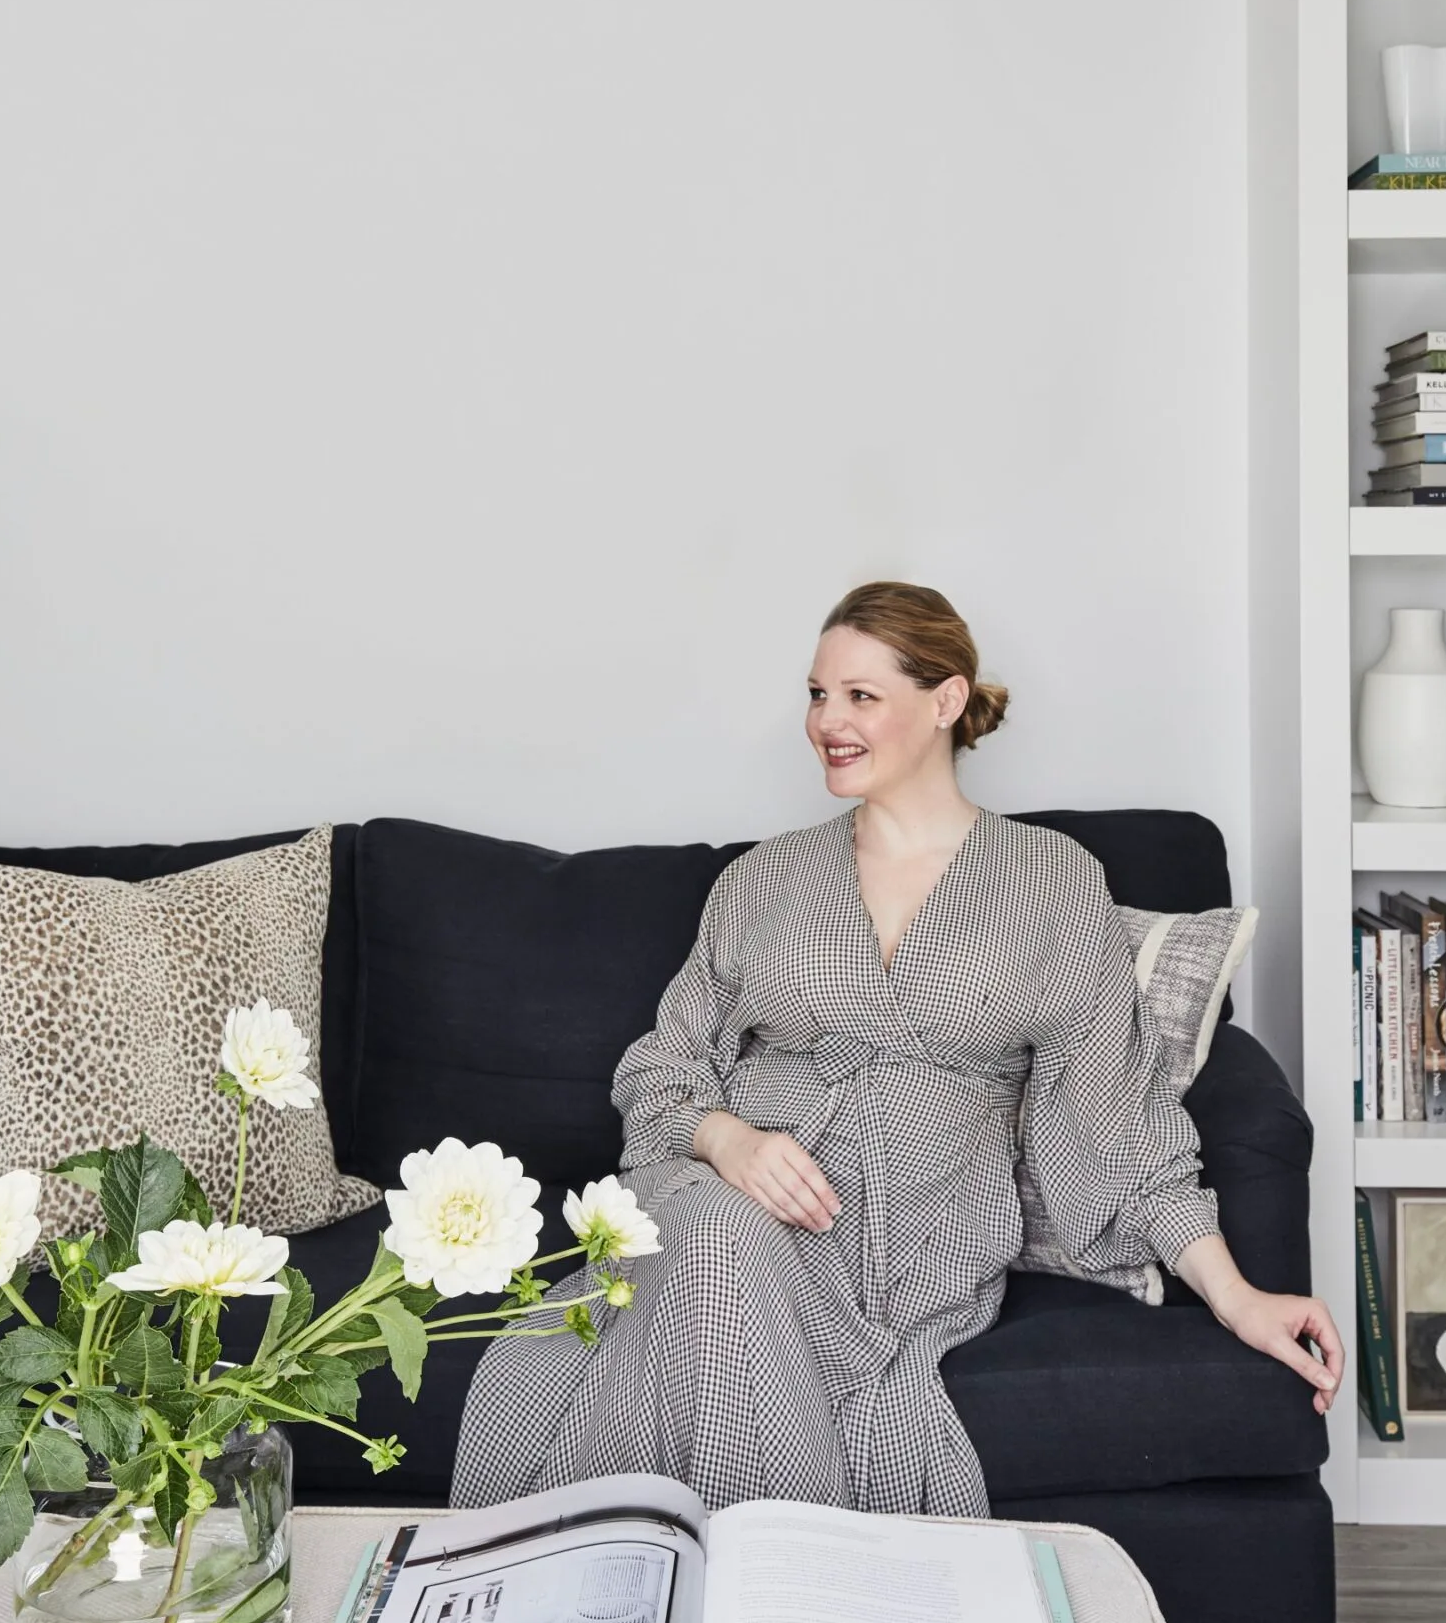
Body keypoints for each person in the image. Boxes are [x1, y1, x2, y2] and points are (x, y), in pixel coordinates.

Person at [452, 581, 1341, 1516]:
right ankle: (759, 1584)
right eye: (815, 694)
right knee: (718, 1240)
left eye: (859, 696)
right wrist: (730, 1142)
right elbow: (662, 1065)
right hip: (722, 1196)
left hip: (914, 1246)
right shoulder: (759, 880)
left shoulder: (1050, 884)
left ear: (945, 701)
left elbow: (1114, 1118)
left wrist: (1237, 1295)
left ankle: (682, 1585)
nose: (825, 722)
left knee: (730, 1263)